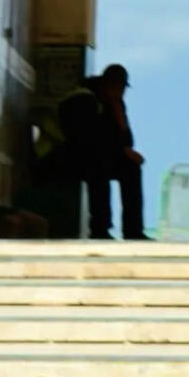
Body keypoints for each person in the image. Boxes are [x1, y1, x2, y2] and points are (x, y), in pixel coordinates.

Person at [60, 63, 147, 242]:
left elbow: (127, 141)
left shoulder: (113, 103)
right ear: (107, 84)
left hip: (100, 154)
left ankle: (133, 230)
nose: (121, 92)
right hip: (66, 155)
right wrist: (121, 150)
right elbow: (86, 138)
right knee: (97, 166)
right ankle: (100, 228)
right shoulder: (83, 98)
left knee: (130, 168)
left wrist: (117, 109)